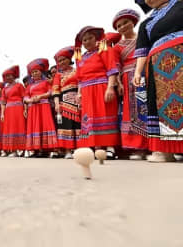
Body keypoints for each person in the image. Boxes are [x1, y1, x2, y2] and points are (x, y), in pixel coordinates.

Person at [133, 0, 183, 162]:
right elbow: (142, 50)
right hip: (157, 65)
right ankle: (165, 150)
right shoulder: (146, 23)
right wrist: (138, 72)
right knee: (159, 104)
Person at [74, 26, 121, 158]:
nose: (87, 41)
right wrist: (79, 93)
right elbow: (80, 79)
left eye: (90, 38)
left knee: (106, 114)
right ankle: (97, 147)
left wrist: (110, 88)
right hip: (86, 91)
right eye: (84, 40)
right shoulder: (80, 58)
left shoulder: (104, 51)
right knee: (91, 119)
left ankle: (110, 147)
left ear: (96, 38)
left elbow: (111, 70)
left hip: (102, 87)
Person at [112, 9, 148, 160]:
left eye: (125, 23)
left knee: (149, 109)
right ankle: (138, 148)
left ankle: (153, 145)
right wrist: (119, 83)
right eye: (119, 26)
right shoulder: (117, 47)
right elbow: (116, 66)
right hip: (128, 79)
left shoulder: (143, 38)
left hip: (146, 74)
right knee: (132, 112)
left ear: (133, 22)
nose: (122, 27)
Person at [24, 59, 57, 156]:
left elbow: (50, 92)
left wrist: (40, 96)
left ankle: (48, 149)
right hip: (33, 107)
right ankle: (37, 149)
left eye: (36, 71)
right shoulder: (29, 86)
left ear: (41, 72)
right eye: (33, 72)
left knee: (45, 124)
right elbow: (25, 97)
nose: (34, 73)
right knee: (35, 126)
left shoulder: (46, 82)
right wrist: (30, 100)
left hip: (44, 105)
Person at [52, 46, 81, 159]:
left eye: (64, 59)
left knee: (78, 125)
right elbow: (55, 90)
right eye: (59, 61)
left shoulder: (77, 70)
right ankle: (68, 150)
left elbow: (81, 83)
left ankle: (79, 149)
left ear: (69, 59)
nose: (62, 62)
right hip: (64, 102)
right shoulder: (58, 75)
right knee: (65, 125)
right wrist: (56, 103)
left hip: (77, 99)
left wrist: (80, 95)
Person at [0, 65, 27, 157]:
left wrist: (25, 109)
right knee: (10, 129)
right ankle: (13, 150)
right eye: (6, 76)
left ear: (14, 75)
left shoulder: (19, 85)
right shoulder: (4, 89)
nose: (8, 77)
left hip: (19, 109)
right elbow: (3, 102)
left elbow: (24, 98)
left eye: (10, 75)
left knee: (19, 127)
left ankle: (23, 150)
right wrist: (2, 114)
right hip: (8, 110)